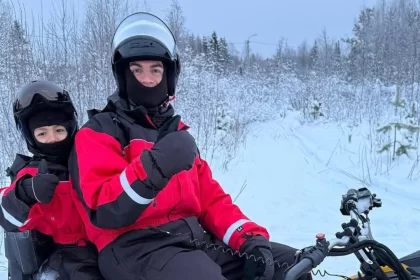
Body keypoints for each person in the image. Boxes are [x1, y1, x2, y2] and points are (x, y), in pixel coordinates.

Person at [68, 12, 312, 280]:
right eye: (137, 70)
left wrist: (249, 238)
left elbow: (211, 200)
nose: (147, 79)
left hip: (192, 241)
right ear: (123, 75)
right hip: (134, 249)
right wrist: (155, 167)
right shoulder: (99, 132)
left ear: (169, 75)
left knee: (292, 266)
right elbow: (103, 208)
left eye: (156, 70)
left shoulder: (176, 134)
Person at [0, 80, 104, 280]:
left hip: (105, 244)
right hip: (65, 254)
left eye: (59, 130)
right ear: (30, 137)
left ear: (71, 127)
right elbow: (6, 216)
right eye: (42, 133)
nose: (52, 139)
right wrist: (26, 193)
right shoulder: (31, 172)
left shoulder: (88, 158)